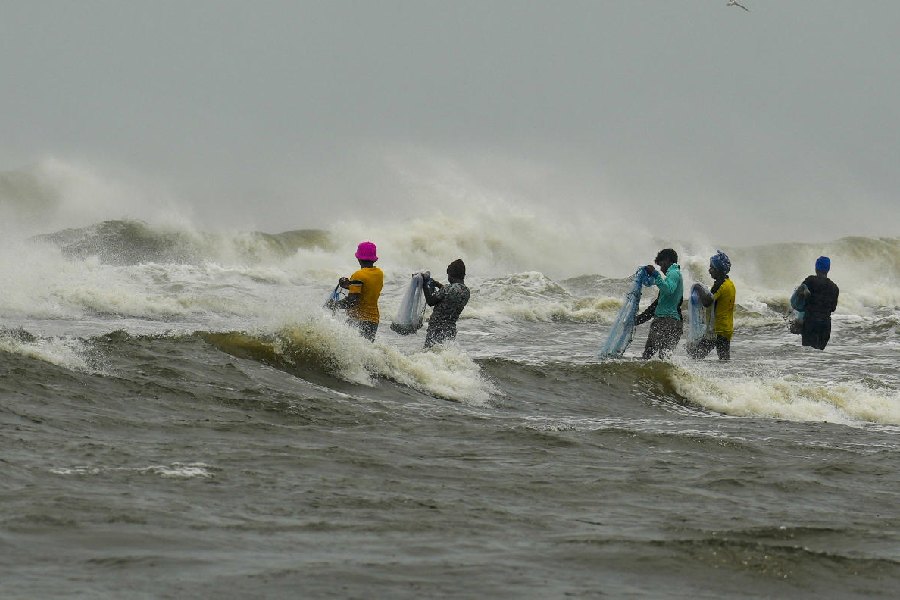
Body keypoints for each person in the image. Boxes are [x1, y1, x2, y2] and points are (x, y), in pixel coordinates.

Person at [635, 248, 684, 359]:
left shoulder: (673, 273)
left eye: (661, 265)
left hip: (665, 321)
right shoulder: (675, 275)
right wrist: (638, 320)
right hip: (674, 323)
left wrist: (656, 275)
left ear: (667, 260)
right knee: (665, 358)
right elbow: (656, 306)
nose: (661, 269)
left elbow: (668, 289)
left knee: (647, 355)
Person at [330, 241, 384, 341]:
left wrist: (334, 304)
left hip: (359, 320)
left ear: (358, 258)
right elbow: (367, 289)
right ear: (374, 259)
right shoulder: (379, 274)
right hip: (373, 320)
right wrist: (348, 285)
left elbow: (352, 301)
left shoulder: (358, 275)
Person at [689, 250, 736, 361]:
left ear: (718, 270)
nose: (709, 271)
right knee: (724, 359)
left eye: (712, 268)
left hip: (717, 330)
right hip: (725, 328)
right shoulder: (729, 283)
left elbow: (708, 302)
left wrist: (698, 287)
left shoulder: (721, 285)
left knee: (696, 356)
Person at [422, 259, 470, 349]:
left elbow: (431, 301)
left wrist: (424, 285)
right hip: (450, 330)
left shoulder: (447, 289)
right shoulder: (466, 292)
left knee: (431, 353)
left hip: (436, 329)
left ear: (451, 275)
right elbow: (450, 295)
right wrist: (438, 284)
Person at [798, 256, 839, 350]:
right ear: (828, 269)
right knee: (818, 357)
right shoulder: (834, 287)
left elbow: (799, 296)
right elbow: (833, 308)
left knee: (808, 353)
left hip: (810, 323)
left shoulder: (810, 281)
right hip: (825, 326)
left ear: (816, 268)